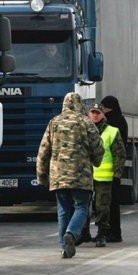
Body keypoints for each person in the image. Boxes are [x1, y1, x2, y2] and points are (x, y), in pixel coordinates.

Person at [36, 92, 104, 259]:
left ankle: (64, 249)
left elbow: (43, 151)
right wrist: (96, 161)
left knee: (63, 210)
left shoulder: (54, 122)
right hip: (81, 175)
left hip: (58, 176)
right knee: (81, 207)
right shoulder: (86, 123)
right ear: (80, 105)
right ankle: (72, 234)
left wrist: (42, 176)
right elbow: (98, 148)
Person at [87, 103, 126, 247]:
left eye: (98, 112)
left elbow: (119, 154)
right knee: (84, 206)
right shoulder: (83, 130)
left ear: (103, 114)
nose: (95, 115)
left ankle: (102, 234)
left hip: (104, 177)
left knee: (102, 207)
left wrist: (117, 174)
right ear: (88, 114)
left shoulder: (112, 131)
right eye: (93, 112)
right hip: (85, 176)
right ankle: (84, 233)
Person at [100, 95, 128, 242]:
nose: (102, 110)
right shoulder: (121, 120)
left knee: (110, 203)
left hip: (109, 169)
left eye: (103, 107)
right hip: (114, 168)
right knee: (111, 203)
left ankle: (113, 233)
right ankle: (112, 232)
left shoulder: (111, 122)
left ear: (109, 107)